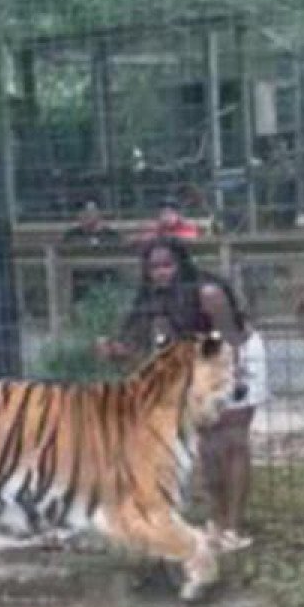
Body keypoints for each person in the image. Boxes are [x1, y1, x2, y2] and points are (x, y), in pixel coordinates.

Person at [96, 239, 265, 553]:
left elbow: (232, 339)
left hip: (237, 355)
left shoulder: (208, 293)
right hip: (198, 361)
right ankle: (217, 520)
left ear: (182, 264)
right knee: (209, 443)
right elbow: (149, 354)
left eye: (167, 265)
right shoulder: (153, 300)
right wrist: (117, 351)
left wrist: (234, 381)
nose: (161, 273)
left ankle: (234, 526)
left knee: (233, 439)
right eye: (154, 267)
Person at [135, 196, 201, 249]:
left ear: (178, 214)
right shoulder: (154, 227)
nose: (167, 217)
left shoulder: (186, 225)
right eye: (163, 213)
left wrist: (168, 236)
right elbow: (143, 238)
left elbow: (191, 238)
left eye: (171, 213)